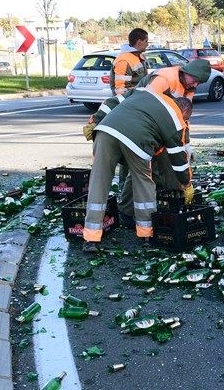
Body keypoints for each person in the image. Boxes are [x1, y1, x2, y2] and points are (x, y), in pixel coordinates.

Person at [86, 58, 212, 226]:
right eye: (195, 80)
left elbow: (183, 122)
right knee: (141, 172)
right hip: (141, 133)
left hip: (137, 131)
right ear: (186, 72)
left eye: (200, 83)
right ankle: (129, 213)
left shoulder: (187, 87)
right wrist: (95, 121)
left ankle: (130, 214)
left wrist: (187, 148)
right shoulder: (163, 80)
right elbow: (140, 102)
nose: (196, 85)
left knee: (146, 169)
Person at [81, 88, 194, 254]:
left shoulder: (145, 92)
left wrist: (95, 121)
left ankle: (90, 238)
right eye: (187, 119)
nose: (186, 122)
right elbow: (178, 159)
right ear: (183, 111)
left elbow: (111, 102)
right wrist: (186, 183)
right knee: (143, 182)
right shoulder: (176, 119)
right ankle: (146, 235)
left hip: (105, 131)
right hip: (138, 140)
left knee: (98, 182)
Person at [109, 28, 150, 96]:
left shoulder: (138, 56)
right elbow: (121, 91)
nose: (147, 44)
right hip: (131, 102)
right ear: (139, 42)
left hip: (137, 99)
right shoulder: (124, 61)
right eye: (146, 41)